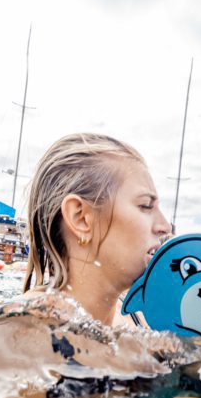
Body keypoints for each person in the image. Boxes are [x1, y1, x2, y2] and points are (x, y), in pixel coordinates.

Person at [22, 133, 171, 327]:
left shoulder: (138, 320)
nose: (165, 227)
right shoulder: (15, 333)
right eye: (145, 205)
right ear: (81, 218)